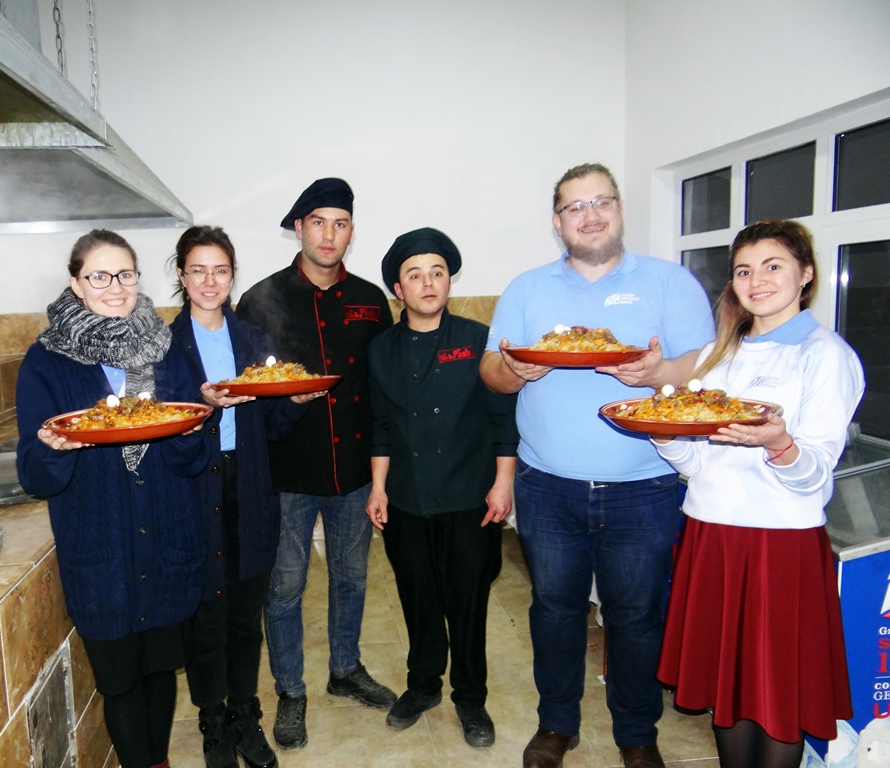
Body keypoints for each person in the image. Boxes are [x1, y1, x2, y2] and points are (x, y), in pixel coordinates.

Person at [479, 163, 715, 768]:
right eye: (575, 207)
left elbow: (704, 365)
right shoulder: (526, 289)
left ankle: (637, 733)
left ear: (620, 209)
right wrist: (516, 370)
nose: (590, 216)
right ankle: (557, 724)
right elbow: (492, 373)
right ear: (557, 221)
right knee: (554, 610)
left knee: (635, 616)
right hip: (546, 485)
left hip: (644, 486)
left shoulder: (669, 282)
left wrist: (658, 372)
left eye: (601, 202)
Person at [653, 219, 863, 768]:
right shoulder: (721, 353)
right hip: (711, 535)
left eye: (773, 266)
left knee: (778, 693)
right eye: (744, 271)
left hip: (779, 545)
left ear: (806, 274)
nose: (757, 280)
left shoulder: (825, 354)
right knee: (729, 689)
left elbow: (815, 476)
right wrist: (665, 437)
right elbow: (699, 464)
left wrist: (779, 444)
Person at [15, 229, 212, 768]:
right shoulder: (46, 361)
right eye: (99, 276)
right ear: (76, 284)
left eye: (125, 274)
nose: (116, 286)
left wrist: (192, 433)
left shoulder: (166, 350)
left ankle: (159, 761)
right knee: (120, 679)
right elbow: (35, 475)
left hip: (167, 535)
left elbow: (192, 459)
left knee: (160, 666)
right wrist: (54, 449)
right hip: (101, 546)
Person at [235, 178, 396, 750]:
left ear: (351, 231)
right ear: (299, 228)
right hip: (287, 473)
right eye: (319, 222)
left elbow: (384, 390)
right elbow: (249, 393)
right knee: (284, 586)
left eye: (341, 223)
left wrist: (383, 473)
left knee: (352, 577)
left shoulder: (371, 300)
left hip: (353, 471)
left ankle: (345, 669)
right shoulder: (260, 301)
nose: (330, 235)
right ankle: (290, 690)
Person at [164, 225, 324, 768]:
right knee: (206, 613)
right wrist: (202, 408)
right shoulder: (164, 346)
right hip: (194, 489)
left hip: (250, 485)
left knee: (245, 611)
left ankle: (244, 714)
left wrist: (295, 402)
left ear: (233, 276)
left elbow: (272, 426)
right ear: (182, 275)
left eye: (221, 270)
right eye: (198, 270)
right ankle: (212, 722)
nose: (210, 282)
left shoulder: (253, 340)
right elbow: (162, 427)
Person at [365, 227, 518, 748]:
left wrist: (503, 484)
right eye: (415, 275)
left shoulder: (478, 341)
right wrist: (378, 488)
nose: (428, 283)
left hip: (469, 497)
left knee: (468, 603)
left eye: (437, 272)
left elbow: (502, 419)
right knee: (418, 597)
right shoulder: (381, 350)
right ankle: (423, 684)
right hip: (406, 499)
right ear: (398, 289)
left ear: (449, 281)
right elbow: (380, 426)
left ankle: (470, 698)